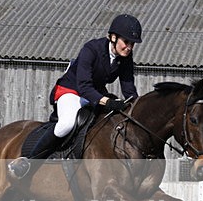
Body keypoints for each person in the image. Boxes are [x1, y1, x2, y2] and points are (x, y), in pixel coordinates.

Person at [8, 14, 142, 179]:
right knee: (67, 123)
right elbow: (84, 86)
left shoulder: (125, 58)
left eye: (132, 44)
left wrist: (137, 109)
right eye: (126, 42)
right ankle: (27, 161)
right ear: (113, 37)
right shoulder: (91, 49)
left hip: (94, 92)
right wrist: (108, 101)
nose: (129, 47)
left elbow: (129, 89)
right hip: (71, 90)